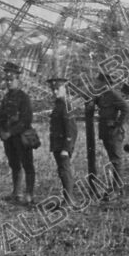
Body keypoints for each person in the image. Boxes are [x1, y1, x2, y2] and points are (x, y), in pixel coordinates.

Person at [0, 61, 35, 204]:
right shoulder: (6, 97)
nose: (8, 82)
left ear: (18, 80)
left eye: (11, 80)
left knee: (27, 165)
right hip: (8, 138)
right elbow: (0, 117)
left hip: (21, 136)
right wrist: (1, 131)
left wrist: (10, 132)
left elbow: (26, 120)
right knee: (14, 165)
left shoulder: (24, 97)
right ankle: (16, 193)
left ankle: (29, 194)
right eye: (6, 80)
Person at [93, 71, 129, 198]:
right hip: (106, 131)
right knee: (113, 160)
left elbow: (126, 109)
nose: (96, 83)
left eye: (98, 81)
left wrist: (117, 124)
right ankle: (116, 187)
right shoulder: (102, 95)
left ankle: (117, 189)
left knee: (116, 161)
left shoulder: (113, 94)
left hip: (113, 132)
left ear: (105, 82)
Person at [48, 77, 77, 205]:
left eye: (57, 89)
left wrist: (67, 148)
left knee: (65, 171)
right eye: (53, 89)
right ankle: (66, 199)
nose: (55, 92)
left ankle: (69, 200)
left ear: (64, 89)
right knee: (62, 171)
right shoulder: (58, 104)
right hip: (57, 144)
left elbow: (71, 129)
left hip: (63, 145)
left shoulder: (66, 105)